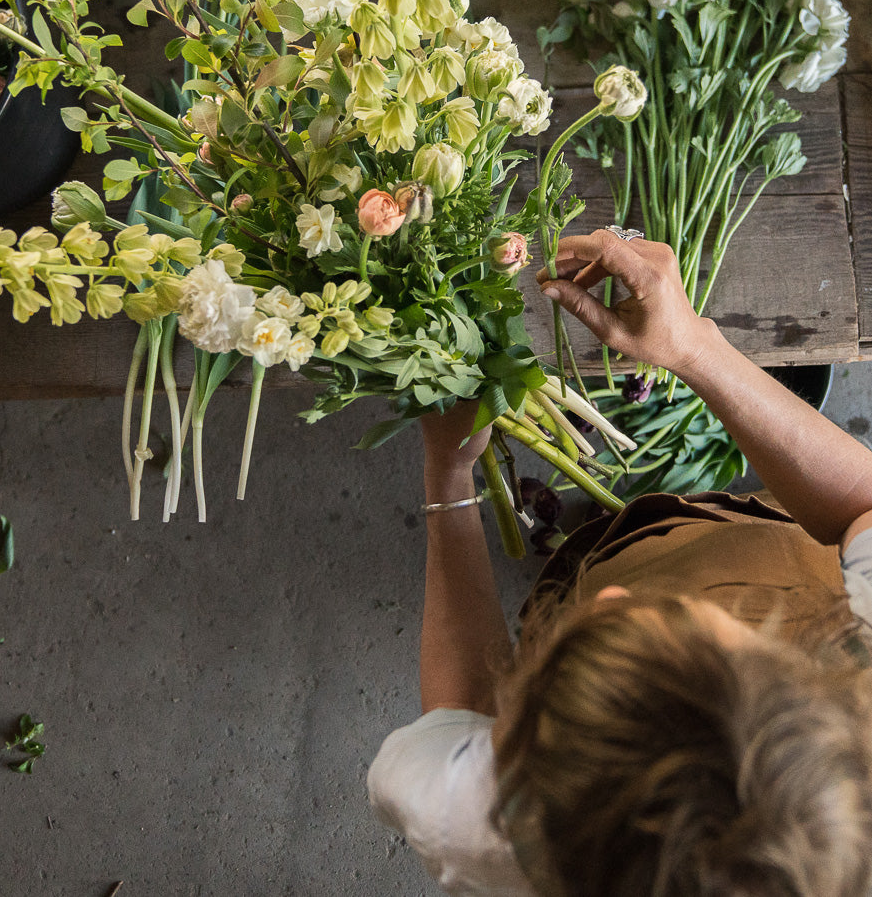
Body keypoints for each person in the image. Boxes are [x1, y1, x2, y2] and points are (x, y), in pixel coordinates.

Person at [367, 229, 872, 897]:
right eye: (711, 640)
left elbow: (461, 710)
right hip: (761, 546)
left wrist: (447, 472)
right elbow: (862, 504)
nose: (608, 606)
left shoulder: (471, 823)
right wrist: (692, 345)